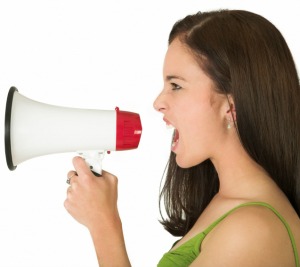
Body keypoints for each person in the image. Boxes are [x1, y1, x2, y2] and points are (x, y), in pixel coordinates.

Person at [64, 9, 300, 267]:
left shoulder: (252, 231)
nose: (158, 103)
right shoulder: (228, 204)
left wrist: (103, 225)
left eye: (176, 86)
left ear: (231, 105)